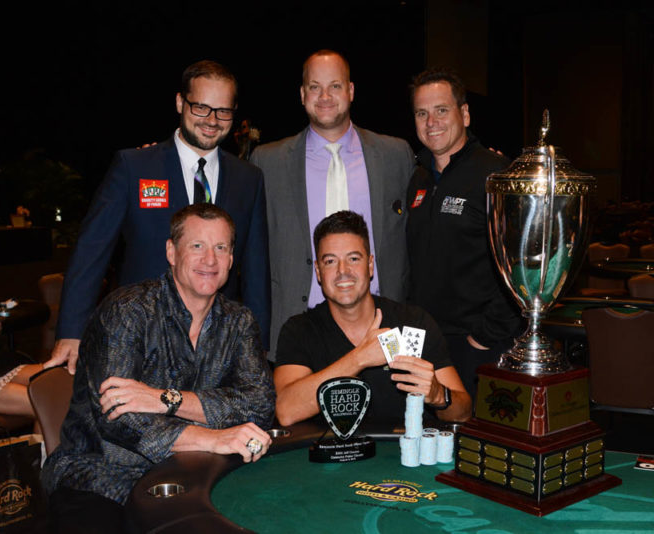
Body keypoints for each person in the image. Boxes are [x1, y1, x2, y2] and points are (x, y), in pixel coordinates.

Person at [42, 204, 275, 534]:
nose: (210, 260)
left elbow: (260, 406)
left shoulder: (240, 322)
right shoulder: (128, 311)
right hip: (99, 476)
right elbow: (120, 419)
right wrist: (214, 438)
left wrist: (168, 399)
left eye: (220, 247)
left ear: (231, 259)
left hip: (193, 475)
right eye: (197, 246)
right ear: (171, 251)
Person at [48, 60, 271, 375]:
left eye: (223, 111)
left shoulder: (249, 179)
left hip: (219, 349)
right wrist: (71, 331)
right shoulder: (134, 167)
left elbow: (255, 268)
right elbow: (91, 252)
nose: (212, 120)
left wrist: (257, 344)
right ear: (180, 102)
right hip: (139, 342)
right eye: (201, 108)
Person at [250, 50, 413, 361]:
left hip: (381, 329)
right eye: (314, 87)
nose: (324, 96)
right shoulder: (267, 162)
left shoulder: (396, 155)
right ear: (302, 94)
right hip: (298, 331)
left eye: (335, 86)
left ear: (350, 92)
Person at [274, 211, 471, 426]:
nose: (343, 271)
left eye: (353, 259)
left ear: (370, 265)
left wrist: (438, 395)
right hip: (335, 457)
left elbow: (463, 413)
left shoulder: (413, 322)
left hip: (404, 454)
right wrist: (360, 358)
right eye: (330, 261)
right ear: (318, 272)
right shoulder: (299, 330)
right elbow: (286, 411)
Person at [406, 68, 520, 399]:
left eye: (441, 110)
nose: (431, 122)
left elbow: (519, 264)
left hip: (478, 346)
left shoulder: (496, 174)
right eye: (422, 113)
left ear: (465, 114)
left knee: (476, 443)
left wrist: (485, 336)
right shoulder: (419, 178)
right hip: (428, 345)